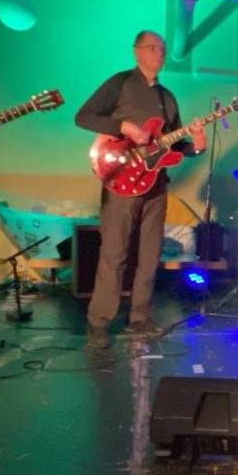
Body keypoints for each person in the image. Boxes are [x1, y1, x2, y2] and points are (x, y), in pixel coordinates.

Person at [75, 30, 206, 350]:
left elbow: (173, 147)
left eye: (162, 49)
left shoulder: (167, 97)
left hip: (155, 185)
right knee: (114, 253)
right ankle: (99, 322)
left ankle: (139, 318)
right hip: (121, 180)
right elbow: (83, 117)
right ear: (136, 52)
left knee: (150, 255)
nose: (158, 53)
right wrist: (122, 126)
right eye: (151, 47)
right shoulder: (120, 83)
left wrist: (197, 146)